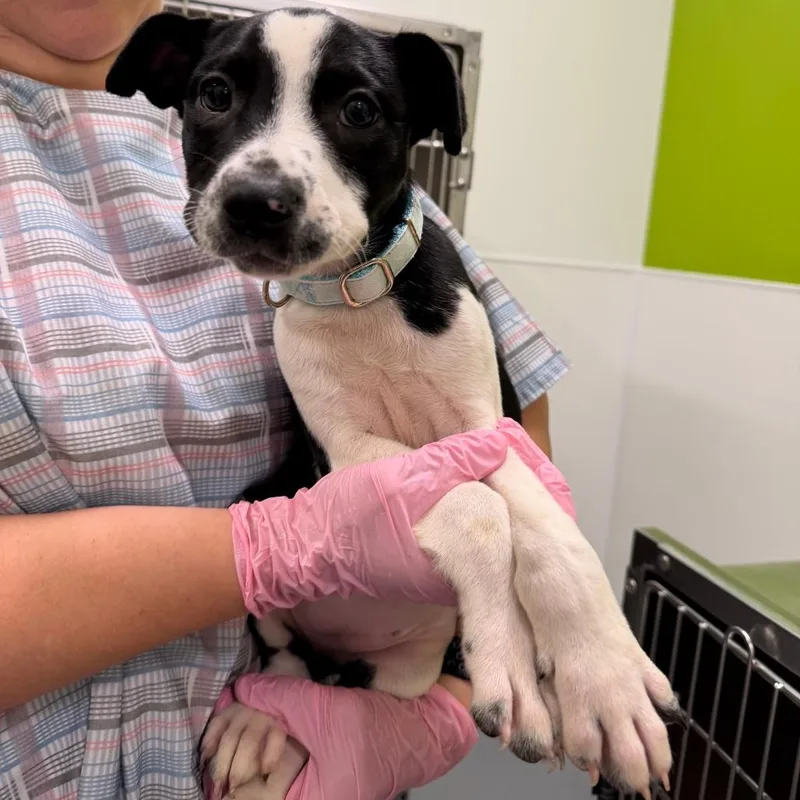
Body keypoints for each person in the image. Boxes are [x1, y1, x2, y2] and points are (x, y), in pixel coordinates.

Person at [0, 2, 570, 799]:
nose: (270, 184)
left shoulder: (329, 90)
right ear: (177, 83)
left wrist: (432, 709)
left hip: (336, 723)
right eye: (218, 100)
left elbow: (511, 432)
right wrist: (280, 545)